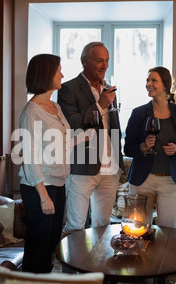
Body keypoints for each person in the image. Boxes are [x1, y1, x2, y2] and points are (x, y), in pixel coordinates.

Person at [58, 42, 125, 233]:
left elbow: (114, 126)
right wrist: (100, 105)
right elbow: (70, 123)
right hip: (81, 166)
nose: (105, 65)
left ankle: (98, 263)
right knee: (75, 225)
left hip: (110, 168)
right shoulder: (68, 89)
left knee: (103, 225)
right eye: (99, 61)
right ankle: (70, 264)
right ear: (85, 61)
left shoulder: (109, 90)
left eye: (107, 61)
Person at [17, 54, 71, 273]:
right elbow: (30, 158)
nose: (62, 74)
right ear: (46, 74)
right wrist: (43, 196)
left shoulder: (54, 107)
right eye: (59, 70)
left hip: (58, 184)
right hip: (39, 187)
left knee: (51, 243)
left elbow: (59, 141)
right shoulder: (31, 112)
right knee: (38, 246)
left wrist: (83, 137)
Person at [124, 66, 176, 229]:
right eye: (147, 80)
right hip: (142, 181)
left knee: (168, 232)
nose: (149, 84)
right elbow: (127, 149)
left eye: (154, 80)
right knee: (137, 230)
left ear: (165, 85)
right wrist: (144, 147)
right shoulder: (138, 113)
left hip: (170, 180)